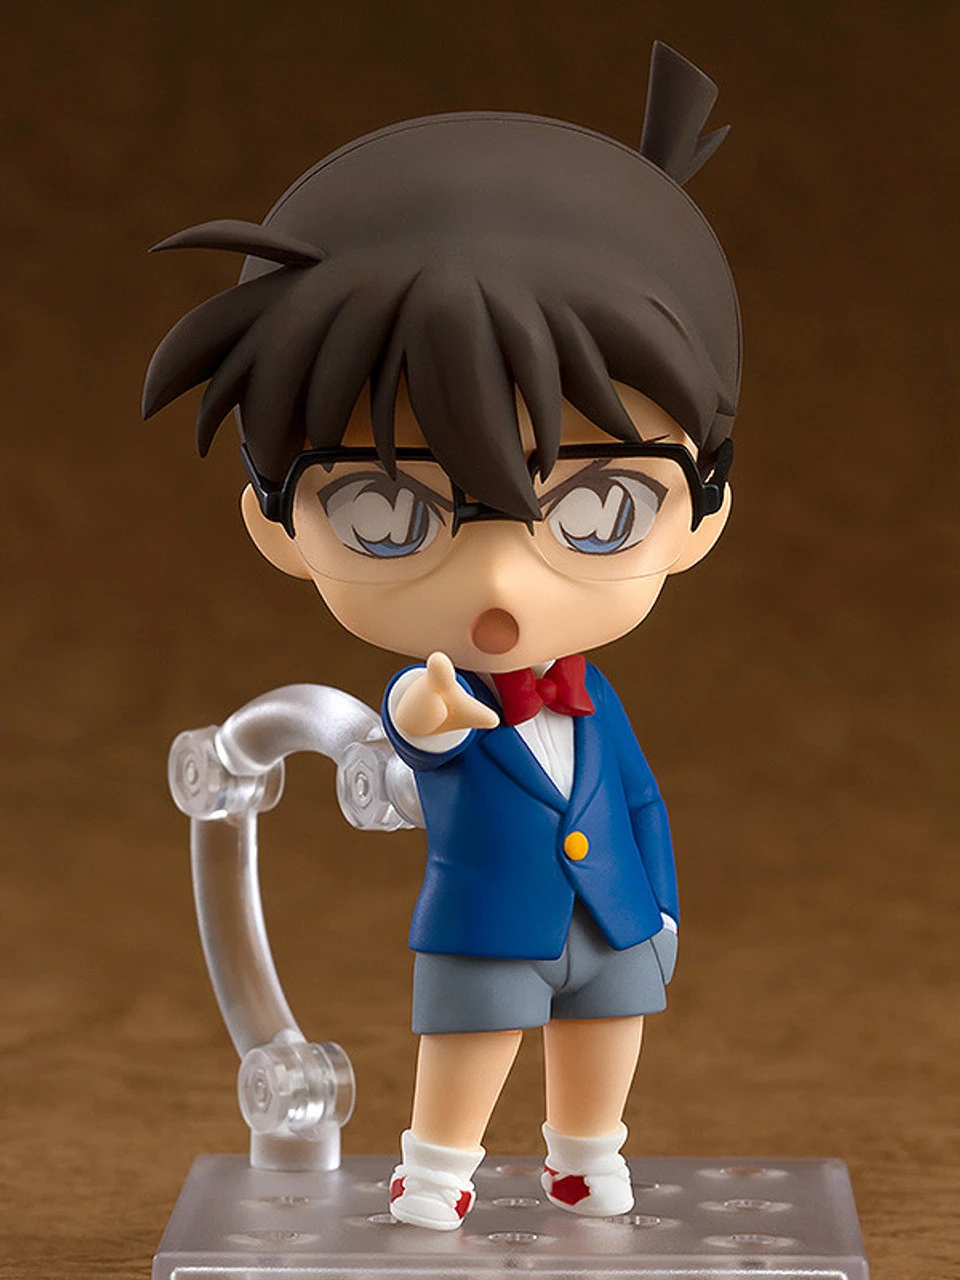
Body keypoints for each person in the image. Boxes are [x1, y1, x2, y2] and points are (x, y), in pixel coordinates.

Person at [144, 41, 741, 1231]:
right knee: (469, 1050)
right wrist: (424, 721)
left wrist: (664, 903)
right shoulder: (440, 692)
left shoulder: (592, 697)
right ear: (276, 523)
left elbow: (637, 799)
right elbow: (418, 733)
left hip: (614, 914)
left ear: (705, 511)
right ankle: (435, 1171)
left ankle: (585, 1156)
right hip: (486, 925)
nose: (504, 584)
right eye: (390, 512)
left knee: (604, 1042)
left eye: (600, 505)